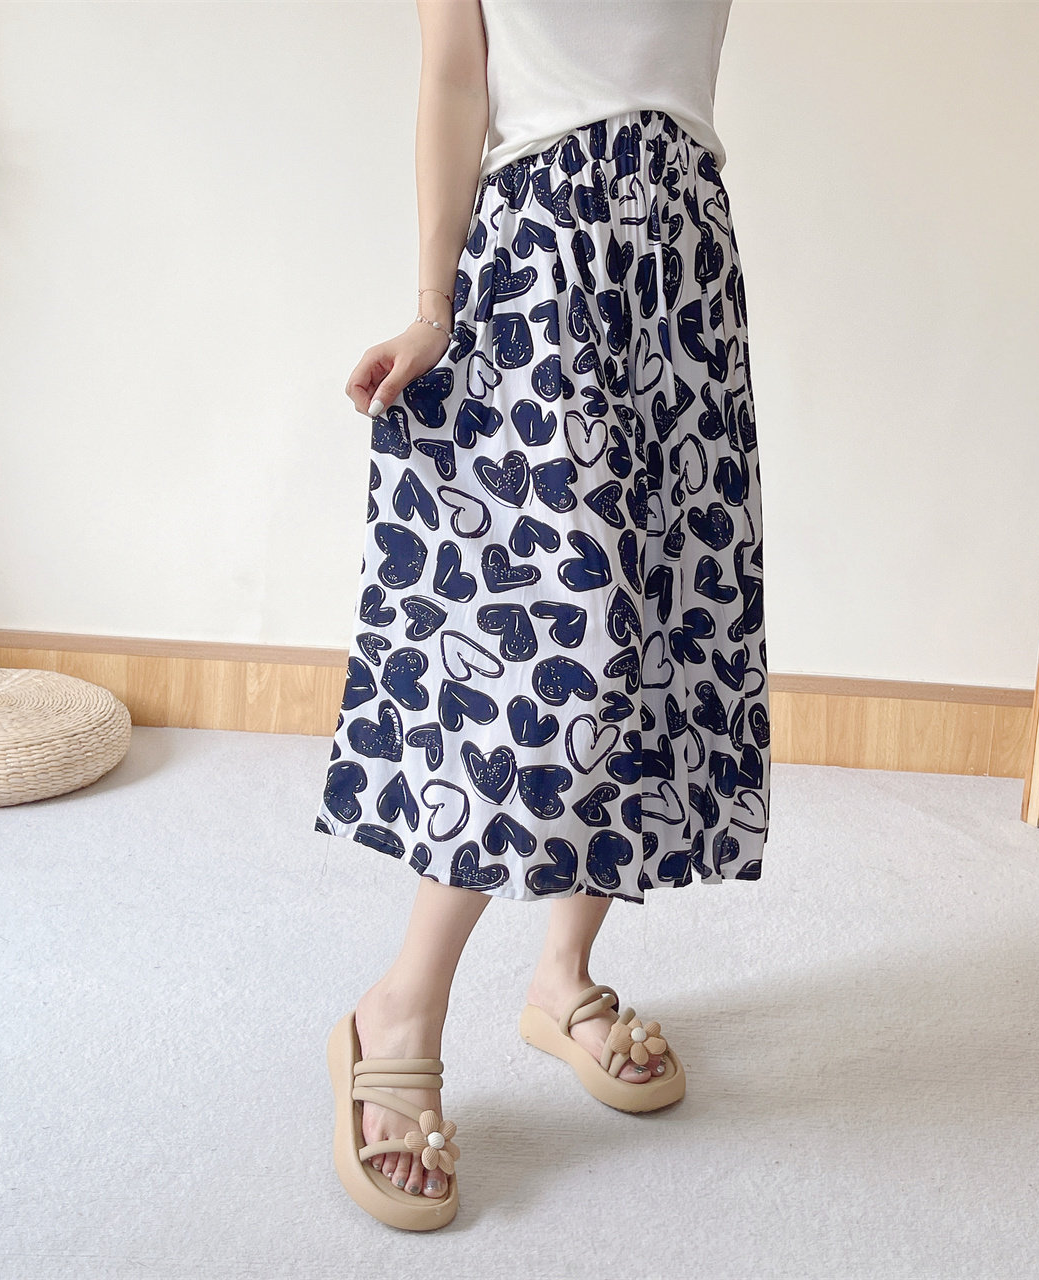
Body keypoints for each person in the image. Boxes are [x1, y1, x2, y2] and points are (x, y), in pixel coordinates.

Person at [317, 0, 768, 1229]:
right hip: (544, 254)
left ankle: (561, 975)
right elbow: (453, 78)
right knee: (550, 649)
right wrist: (432, 303)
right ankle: (396, 1009)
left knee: (656, 633)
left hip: (684, 255)